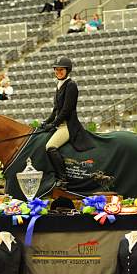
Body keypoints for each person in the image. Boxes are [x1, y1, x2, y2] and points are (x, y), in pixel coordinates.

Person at [39, 57, 94, 186]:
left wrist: (54, 124)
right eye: (56, 69)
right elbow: (55, 109)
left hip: (68, 125)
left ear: (67, 70)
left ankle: (62, 178)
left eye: (61, 70)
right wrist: (46, 121)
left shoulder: (71, 85)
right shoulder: (59, 85)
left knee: (50, 147)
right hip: (60, 124)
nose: (58, 72)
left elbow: (66, 110)